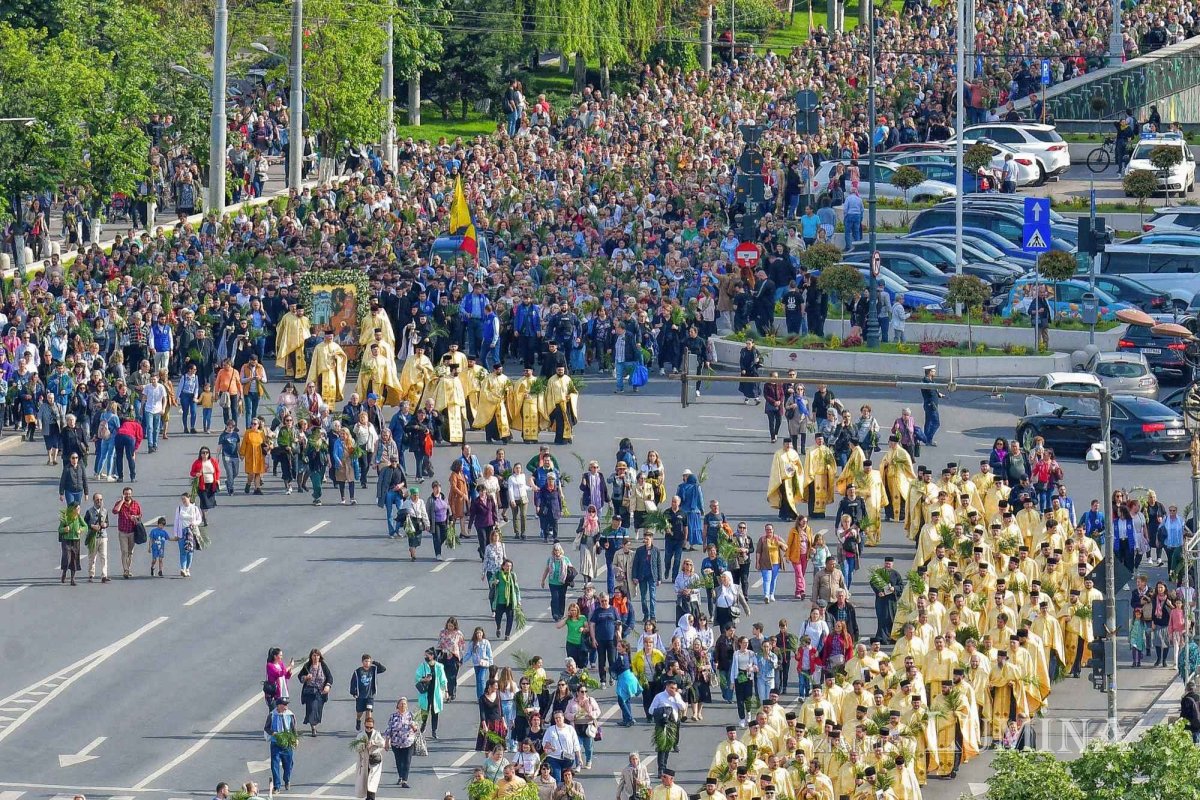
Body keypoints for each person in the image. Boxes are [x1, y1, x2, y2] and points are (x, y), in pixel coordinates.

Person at [648, 681, 687, 776]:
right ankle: (660, 769)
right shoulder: (659, 696)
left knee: (668, 746)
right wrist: (662, 711)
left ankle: (664, 766)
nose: (673, 690)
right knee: (662, 746)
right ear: (666, 687)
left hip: (673, 723)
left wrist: (676, 698)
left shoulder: (676, 695)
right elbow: (651, 710)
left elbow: (683, 707)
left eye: (675, 688)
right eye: (671, 688)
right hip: (662, 723)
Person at [383, 697, 420, 787]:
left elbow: (417, 729)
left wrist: (413, 727)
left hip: (408, 742)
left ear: (407, 706)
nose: (403, 705)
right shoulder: (393, 716)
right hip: (396, 743)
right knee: (399, 761)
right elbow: (389, 729)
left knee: (407, 761)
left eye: (404, 704)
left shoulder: (411, 715)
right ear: (398, 706)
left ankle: (405, 780)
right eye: (401, 704)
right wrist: (387, 742)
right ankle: (400, 776)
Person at [263, 697, 297, 793]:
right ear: (278, 705)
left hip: (287, 743)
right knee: (275, 765)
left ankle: (286, 779)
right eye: (284, 704)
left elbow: (293, 728)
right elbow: (266, 727)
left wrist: (295, 738)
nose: (286, 707)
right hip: (276, 743)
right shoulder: (272, 715)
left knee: (288, 764)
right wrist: (273, 733)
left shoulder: (290, 715)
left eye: (286, 704)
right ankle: (277, 786)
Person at [298, 648, 333, 736]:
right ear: (311, 656)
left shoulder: (323, 666)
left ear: (320, 656)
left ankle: (314, 723)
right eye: (314, 655)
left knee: (318, 709)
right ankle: (313, 728)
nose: (315, 657)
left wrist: (327, 686)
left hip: (320, 692)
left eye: (317, 655)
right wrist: (306, 677)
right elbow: (300, 677)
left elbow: (330, 677)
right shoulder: (307, 666)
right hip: (310, 691)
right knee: (312, 708)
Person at [416, 647, 448, 739]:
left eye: (427, 655)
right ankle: (423, 724)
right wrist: (424, 679)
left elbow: (443, 680)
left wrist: (446, 691)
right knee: (424, 710)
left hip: (435, 693)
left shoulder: (439, 666)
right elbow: (417, 677)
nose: (425, 657)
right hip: (425, 692)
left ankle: (434, 730)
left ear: (432, 656)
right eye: (425, 655)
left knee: (435, 712)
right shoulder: (423, 666)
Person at [351, 654, 388, 732]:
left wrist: (375, 662)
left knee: (369, 710)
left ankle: (368, 727)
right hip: (360, 696)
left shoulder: (373, 669)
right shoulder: (357, 671)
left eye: (368, 661)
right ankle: (358, 720)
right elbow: (353, 682)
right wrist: (353, 692)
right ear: (362, 662)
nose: (367, 663)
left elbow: (383, 669)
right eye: (365, 661)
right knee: (360, 712)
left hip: (370, 696)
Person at [353, 714, 387, 800]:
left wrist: (373, 743)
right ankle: (368, 797)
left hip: (374, 761)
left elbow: (383, 743)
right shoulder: (360, 735)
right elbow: (356, 747)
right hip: (364, 762)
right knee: (365, 780)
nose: (369, 729)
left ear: (373, 726)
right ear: (364, 725)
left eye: (370, 727)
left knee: (372, 781)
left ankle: (371, 798)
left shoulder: (376, 734)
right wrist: (364, 745)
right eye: (367, 727)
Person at [172, 492, 203, 577]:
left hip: (191, 532)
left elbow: (199, 519)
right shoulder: (179, 509)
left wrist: (194, 523)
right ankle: (183, 568)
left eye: (184, 499)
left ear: (189, 498)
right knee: (182, 551)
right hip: (181, 532)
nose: (183, 501)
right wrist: (175, 534)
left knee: (189, 551)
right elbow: (176, 522)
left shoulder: (194, 508)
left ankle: (187, 568)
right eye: (182, 499)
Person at [83, 492, 109, 583]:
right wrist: (92, 526)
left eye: (101, 500)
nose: (99, 501)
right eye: (97, 499)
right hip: (93, 537)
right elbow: (85, 523)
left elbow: (107, 522)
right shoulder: (89, 511)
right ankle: (91, 574)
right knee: (92, 557)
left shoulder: (105, 511)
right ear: (93, 500)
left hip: (103, 536)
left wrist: (105, 524)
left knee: (104, 556)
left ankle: (104, 575)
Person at [58, 501, 86, 586]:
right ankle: (64, 572)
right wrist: (65, 529)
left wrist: (80, 530)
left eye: (79, 508)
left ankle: (72, 579)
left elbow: (85, 526)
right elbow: (60, 529)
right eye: (77, 508)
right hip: (67, 540)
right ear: (72, 509)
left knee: (74, 559)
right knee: (67, 558)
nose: (78, 510)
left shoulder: (79, 517)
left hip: (76, 540)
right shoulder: (66, 518)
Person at [920, 365, 943, 446]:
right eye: (933, 371)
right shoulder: (927, 382)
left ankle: (926, 439)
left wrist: (938, 394)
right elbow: (931, 391)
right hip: (931, 405)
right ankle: (928, 439)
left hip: (929, 404)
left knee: (928, 422)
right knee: (936, 423)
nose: (935, 372)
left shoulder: (929, 380)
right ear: (929, 372)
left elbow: (933, 391)